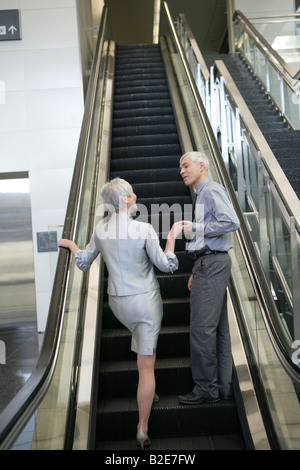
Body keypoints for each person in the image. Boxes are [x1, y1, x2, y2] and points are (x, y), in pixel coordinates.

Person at [58, 177, 183, 449]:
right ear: (125, 199)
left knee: (142, 349)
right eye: (131, 192)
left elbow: (83, 262)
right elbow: (165, 265)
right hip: (145, 303)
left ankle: (148, 393)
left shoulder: (100, 230)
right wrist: (171, 237)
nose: (135, 194)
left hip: (117, 304)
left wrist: (72, 246)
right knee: (146, 365)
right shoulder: (144, 228)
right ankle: (142, 427)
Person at [178, 151, 240, 405]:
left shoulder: (211, 190)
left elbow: (231, 221)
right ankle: (222, 387)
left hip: (212, 264)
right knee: (219, 330)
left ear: (202, 166)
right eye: (180, 168)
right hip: (208, 263)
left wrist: (196, 229)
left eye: (186, 165)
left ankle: (205, 388)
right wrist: (196, 268)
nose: (182, 171)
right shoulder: (202, 193)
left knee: (202, 329)